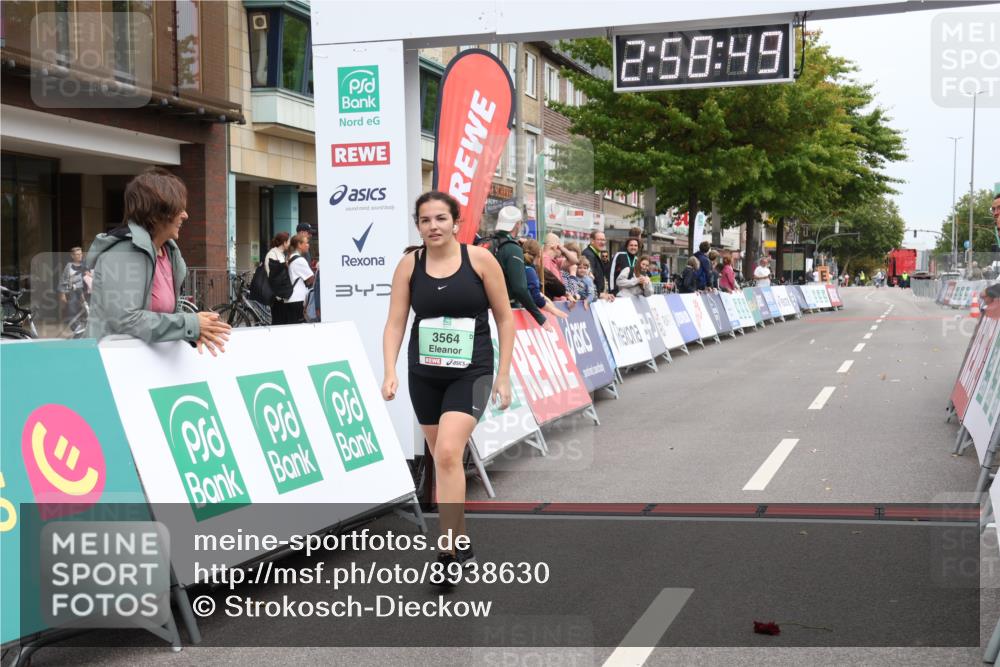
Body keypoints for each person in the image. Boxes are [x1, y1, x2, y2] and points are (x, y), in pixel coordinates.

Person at [382, 191, 514, 576]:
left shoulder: (480, 260)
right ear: (418, 226)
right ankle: (462, 540)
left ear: (456, 223)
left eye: (441, 219)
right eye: (425, 220)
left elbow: (505, 318)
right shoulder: (409, 265)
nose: (433, 226)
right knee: (445, 459)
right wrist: (389, 370)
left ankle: (447, 553)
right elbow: (395, 322)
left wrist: (503, 373)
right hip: (424, 373)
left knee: (446, 454)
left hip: (472, 370)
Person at [86, 167, 230, 354]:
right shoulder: (122, 254)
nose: (185, 215)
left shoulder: (168, 252)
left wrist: (197, 329)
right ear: (157, 213)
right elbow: (124, 321)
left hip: (146, 366)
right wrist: (189, 324)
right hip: (112, 366)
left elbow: (163, 315)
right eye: (180, 208)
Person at [490, 206, 547, 325]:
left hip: (481, 308)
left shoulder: (486, 242)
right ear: (517, 224)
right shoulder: (512, 248)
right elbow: (520, 288)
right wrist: (540, 318)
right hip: (502, 311)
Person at [522, 239, 569, 320]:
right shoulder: (530, 270)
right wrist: (553, 310)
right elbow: (536, 296)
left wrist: (546, 298)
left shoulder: (522, 267)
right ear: (539, 254)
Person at [276, 233, 314, 325]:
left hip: (291, 299)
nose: (308, 245)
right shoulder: (300, 260)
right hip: (298, 299)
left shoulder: (290, 257)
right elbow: (311, 278)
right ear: (299, 245)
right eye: (306, 243)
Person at [58, 246, 91, 326]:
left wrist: (89, 274)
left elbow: (92, 277)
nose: (79, 256)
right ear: (72, 256)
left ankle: (87, 326)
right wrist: (62, 294)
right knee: (72, 310)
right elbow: (63, 280)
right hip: (74, 291)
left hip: (86, 291)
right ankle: (75, 327)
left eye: (80, 254)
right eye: (77, 254)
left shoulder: (86, 265)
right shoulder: (69, 266)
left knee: (88, 310)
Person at [264, 232, 291, 324]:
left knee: (283, 320)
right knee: (278, 321)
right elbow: (273, 274)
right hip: (277, 295)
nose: (289, 244)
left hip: (282, 294)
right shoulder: (272, 254)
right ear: (284, 242)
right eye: (288, 241)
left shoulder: (281, 254)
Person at [582, 230, 611, 297]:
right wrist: (598, 294)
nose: (602, 242)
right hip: (592, 296)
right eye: (599, 240)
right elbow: (588, 277)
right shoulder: (589, 255)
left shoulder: (594, 253)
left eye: (604, 240)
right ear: (592, 240)